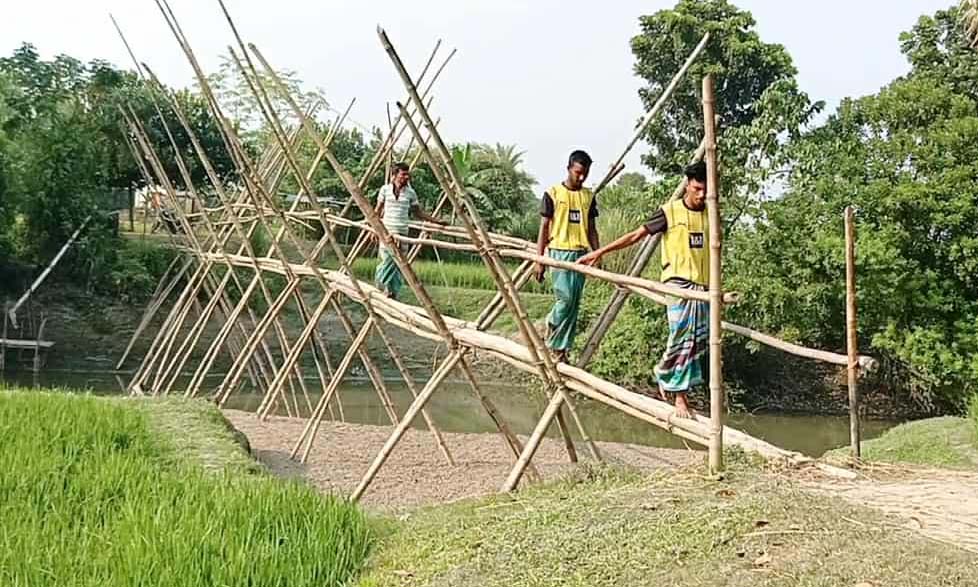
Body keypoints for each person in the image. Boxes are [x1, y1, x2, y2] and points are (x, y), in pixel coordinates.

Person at [578, 161, 709, 418]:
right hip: (678, 282)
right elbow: (635, 236)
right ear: (687, 186)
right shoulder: (669, 212)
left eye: (705, 190)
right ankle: (679, 395)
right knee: (681, 335)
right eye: (697, 189)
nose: (702, 195)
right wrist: (600, 252)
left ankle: (667, 375)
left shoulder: (710, 213)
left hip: (703, 284)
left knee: (697, 340)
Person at [536, 150, 600, 362]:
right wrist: (539, 260)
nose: (581, 177)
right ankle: (551, 322)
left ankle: (561, 350)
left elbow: (591, 229)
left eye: (585, 173)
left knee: (574, 305)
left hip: (581, 253)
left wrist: (597, 254)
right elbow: (544, 228)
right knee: (565, 299)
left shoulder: (588, 197)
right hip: (559, 252)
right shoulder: (553, 193)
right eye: (577, 172)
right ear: (569, 169)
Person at [375, 162, 445, 299]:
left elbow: (418, 213)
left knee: (399, 262)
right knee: (387, 260)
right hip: (387, 231)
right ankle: (382, 285)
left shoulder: (410, 193)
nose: (406, 177)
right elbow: (377, 211)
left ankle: (392, 292)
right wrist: (374, 229)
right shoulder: (385, 190)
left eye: (408, 175)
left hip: (402, 232)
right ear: (394, 175)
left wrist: (436, 221)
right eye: (403, 174)